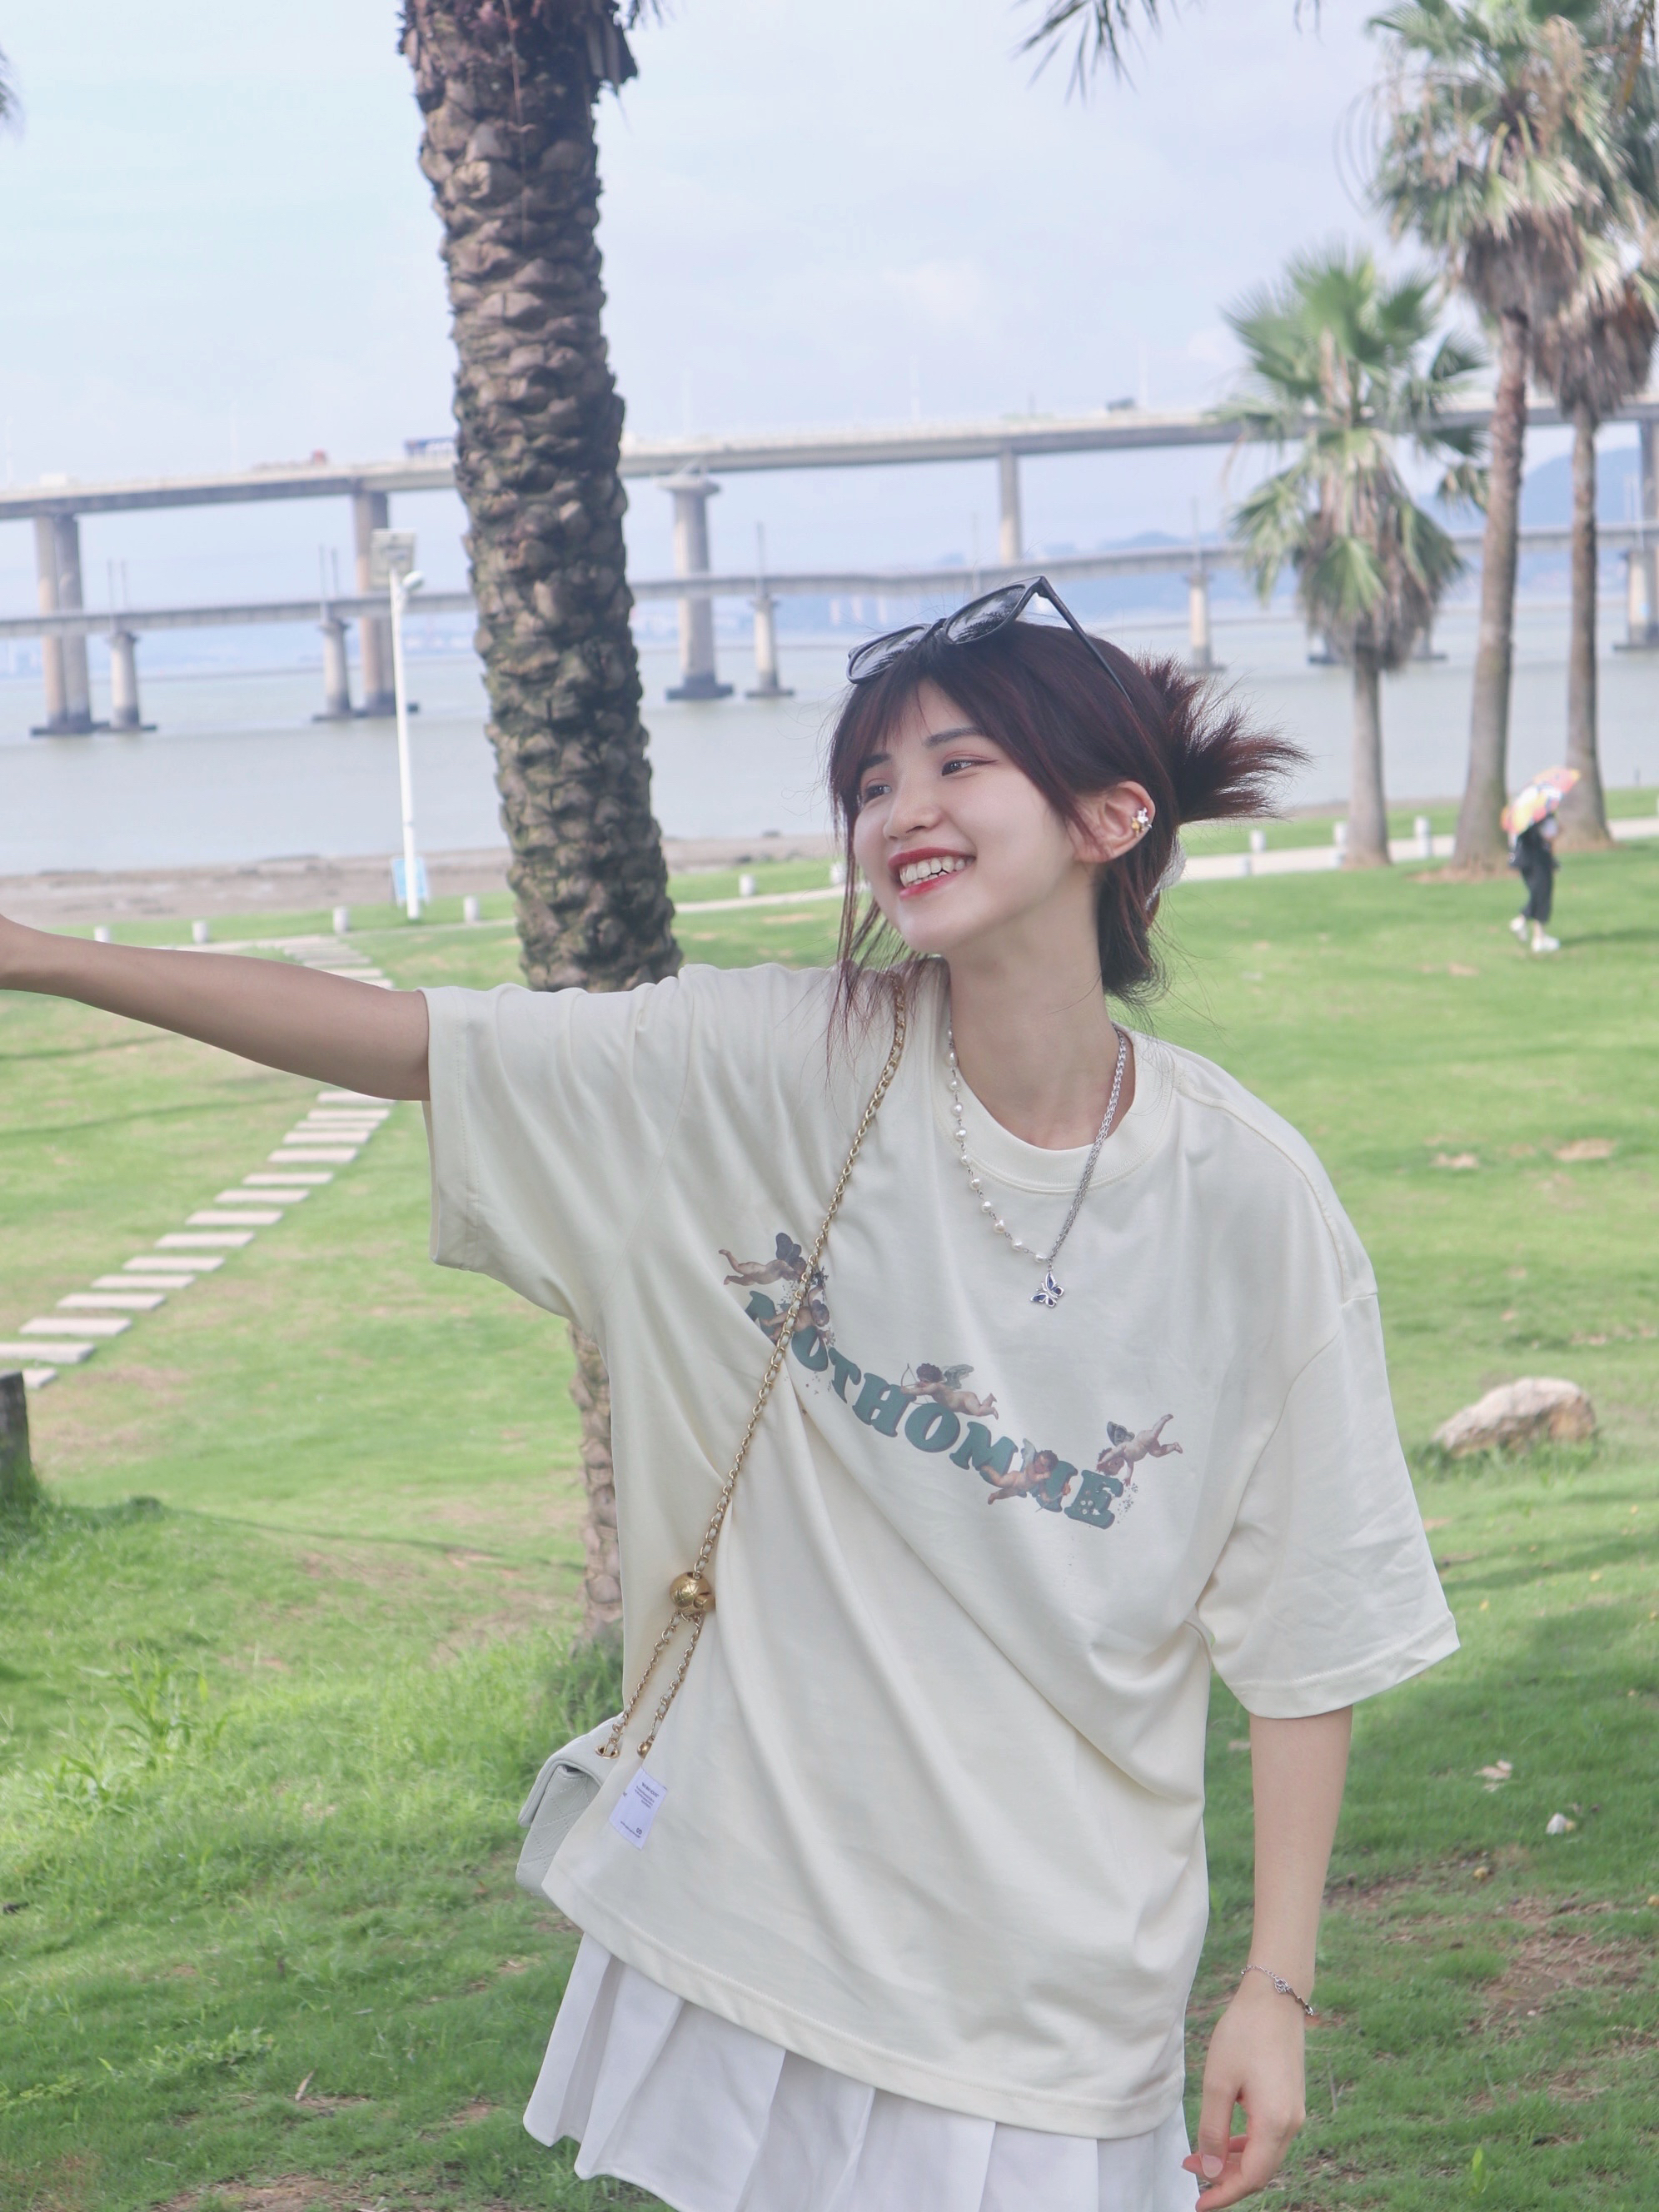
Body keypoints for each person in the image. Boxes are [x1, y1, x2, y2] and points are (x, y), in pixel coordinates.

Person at [0, 579, 1457, 2212]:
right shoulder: (773, 1061)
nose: (901, 812)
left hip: (1057, 1997)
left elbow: (1307, 1619)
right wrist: (37, 957)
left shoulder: (1246, 1196)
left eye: (958, 764)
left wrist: (1276, 1985)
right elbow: (418, 1042)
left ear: (1112, 817)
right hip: (772, 1931)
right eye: (875, 781)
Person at [1508, 816, 1560, 954]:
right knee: (1542, 895)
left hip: (1524, 862)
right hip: (1539, 861)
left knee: (1537, 894)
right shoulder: (1545, 817)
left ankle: (1539, 936)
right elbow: (1550, 836)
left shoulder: (1523, 819)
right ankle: (1523, 921)